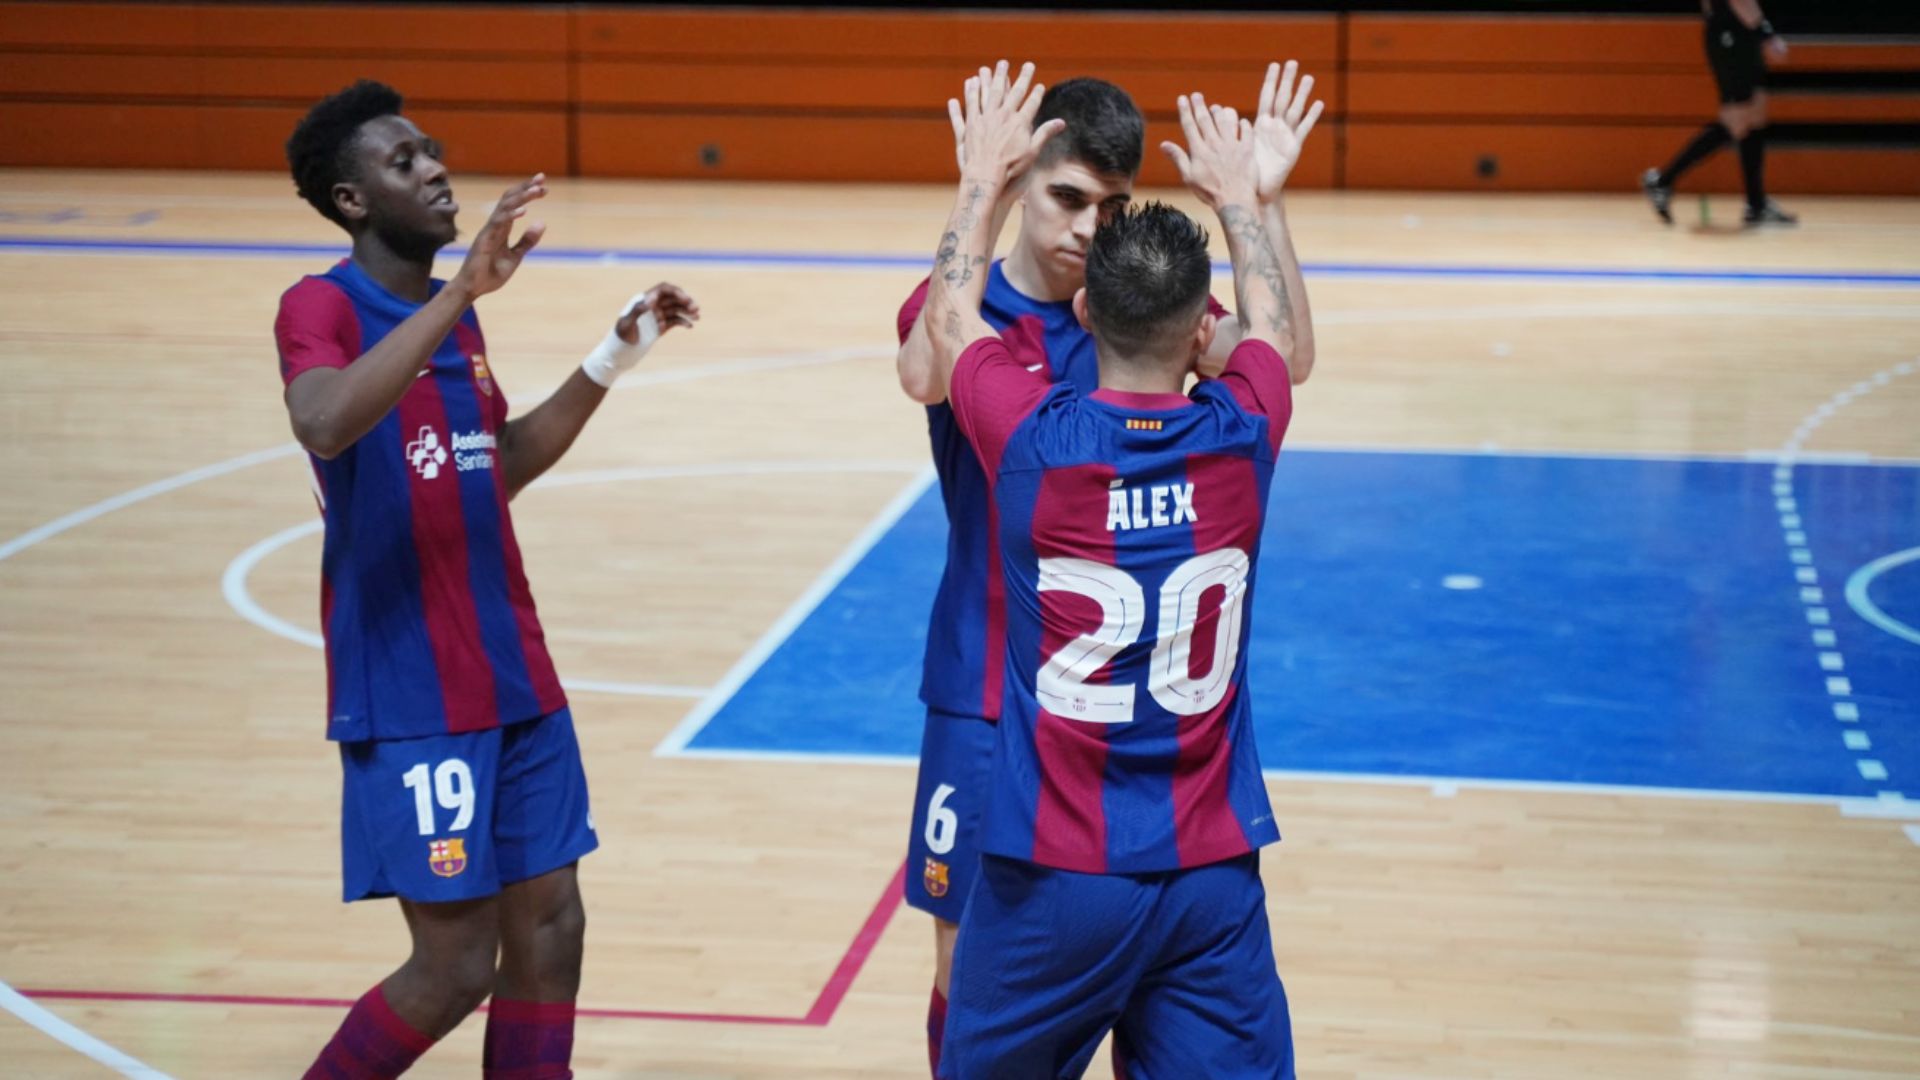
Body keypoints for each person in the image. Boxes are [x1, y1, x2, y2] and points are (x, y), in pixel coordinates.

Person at [892, 60, 1317, 1076]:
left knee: (1029, 976)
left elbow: (940, 350)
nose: (1090, 225)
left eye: (1111, 206)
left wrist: (975, 186)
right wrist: (1248, 203)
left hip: (1069, 768)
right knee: (961, 952)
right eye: (1068, 198)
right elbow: (1271, 358)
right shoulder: (1173, 350)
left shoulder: (1079, 330)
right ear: (1030, 187)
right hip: (987, 694)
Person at [274, 80, 697, 1079]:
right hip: (412, 685)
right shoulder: (320, 305)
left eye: (433, 149)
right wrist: (462, 291)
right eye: (404, 161)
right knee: (456, 964)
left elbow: (489, 465)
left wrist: (610, 358)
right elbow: (325, 420)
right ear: (350, 200)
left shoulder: (449, 319)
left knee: (552, 930)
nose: (435, 169)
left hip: (512, 668)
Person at [1642, 0, 1796, 226]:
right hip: (1731, 36)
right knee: (1736, 119)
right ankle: (1663, 181)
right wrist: (1767, 34)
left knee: (1755, 115)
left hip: (1735, 32)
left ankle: (1756, 204)